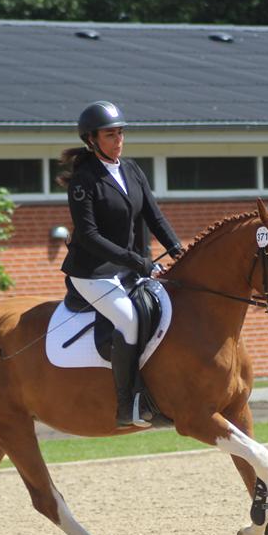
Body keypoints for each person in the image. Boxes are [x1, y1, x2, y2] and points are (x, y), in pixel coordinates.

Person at [57, 100, 184, 428]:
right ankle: (127, 405)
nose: (118, 140)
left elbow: (154, 216)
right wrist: (135, 260)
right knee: (128, 319)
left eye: (121, 133)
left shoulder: (132, 170)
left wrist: (176, 248)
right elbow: (88, 235)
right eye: (110, 134)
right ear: (92, 140)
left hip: (128, 268)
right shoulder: (84, 180)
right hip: (91, 273)